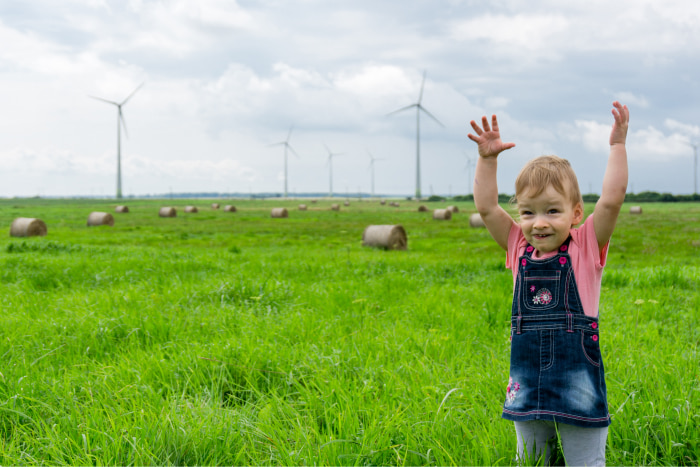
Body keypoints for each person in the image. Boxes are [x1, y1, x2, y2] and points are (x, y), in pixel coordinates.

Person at [467, 102, 629, 466]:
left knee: (584, 462)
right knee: (531, 461)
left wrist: (617, 146)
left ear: (575, 214)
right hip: (526, 379)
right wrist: (487, 160)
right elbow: (488, 208)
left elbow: (613, 199)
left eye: (552, 211)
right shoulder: (518, 246)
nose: (538, 222)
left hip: (577, 382)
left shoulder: (585, 247)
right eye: (528, 212)